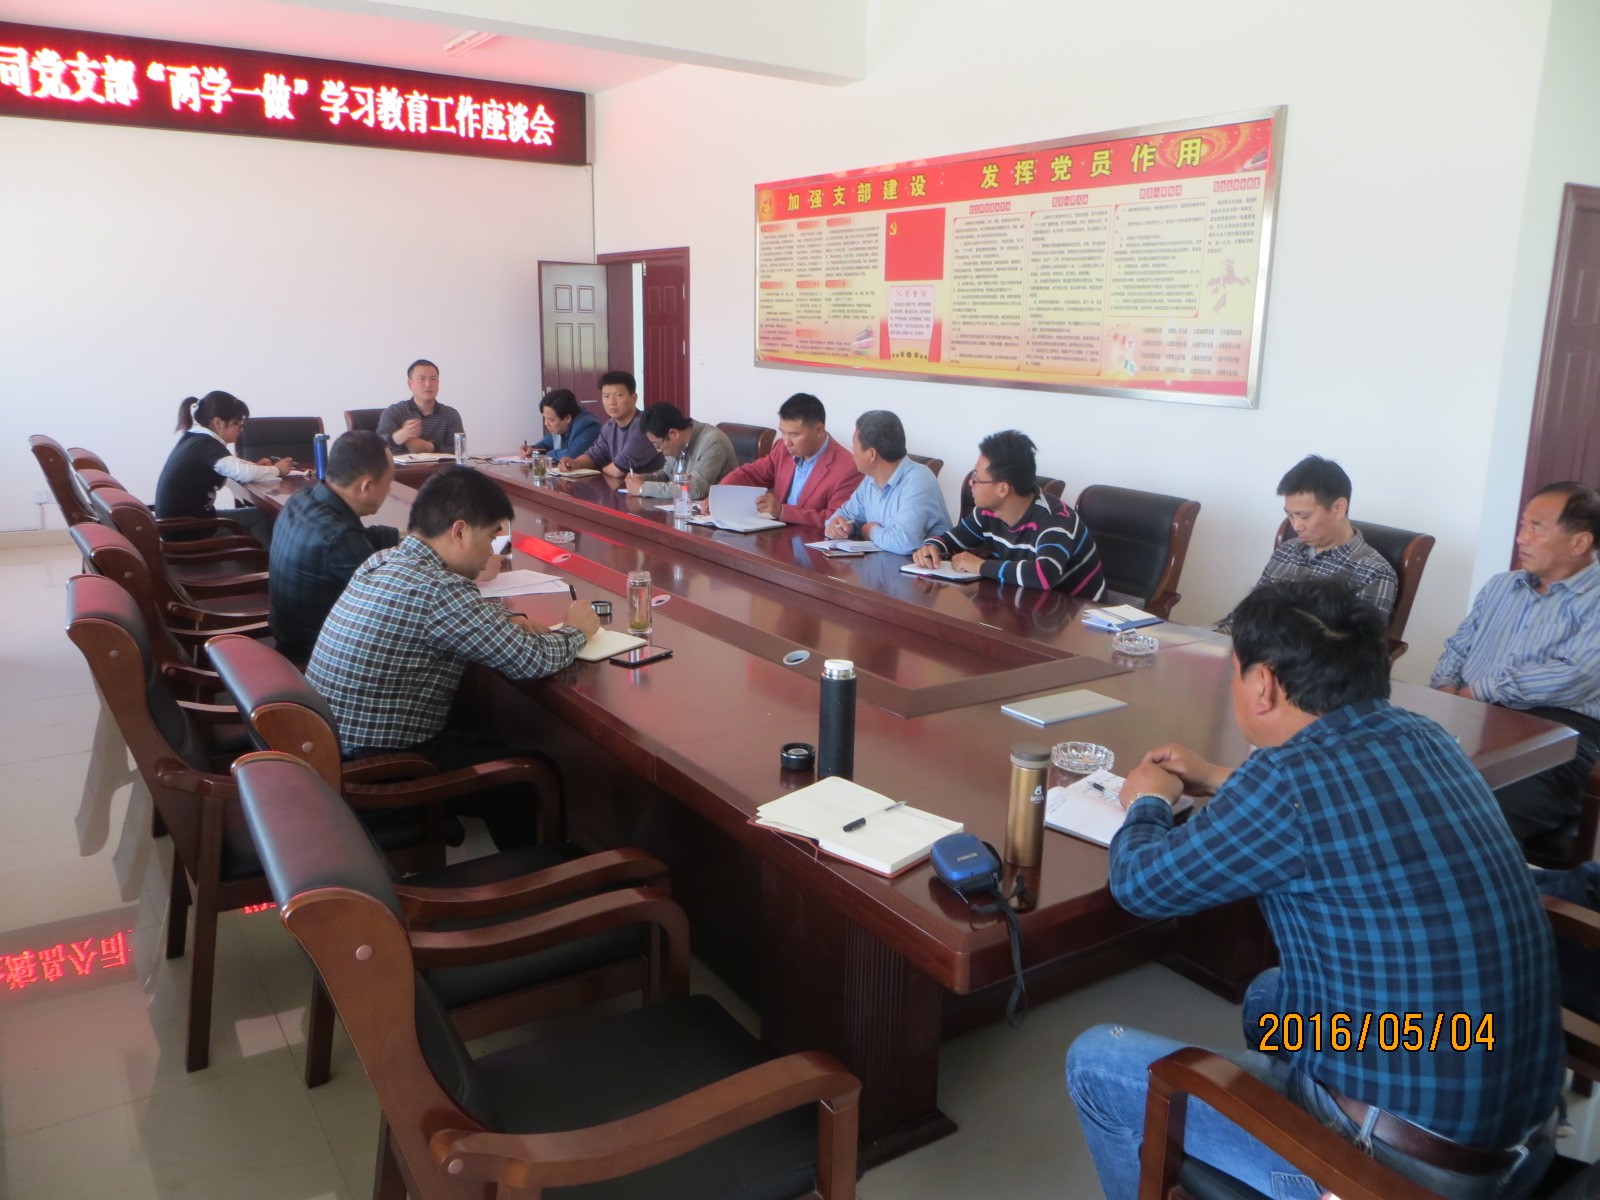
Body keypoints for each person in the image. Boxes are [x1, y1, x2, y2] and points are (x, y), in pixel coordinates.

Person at [1066, 578, 1563, 1200]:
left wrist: (1147, 804)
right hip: (1514, 1130)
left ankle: (1312, 1157)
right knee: (1268, 998)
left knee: (1096, 1064)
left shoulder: (1288, 782)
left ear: (1264, 685)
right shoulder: (1424, 735)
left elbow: (1140, 886)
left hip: (1397, 1172)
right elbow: (1338, 803)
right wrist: (1219, 777)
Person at [306, 466, 600, 849]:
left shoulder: (382, 561)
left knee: (495, 746)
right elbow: (532, 660)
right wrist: (577, 630)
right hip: (380, 772)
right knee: (530, 774)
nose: (493, 551)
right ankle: (538, 877)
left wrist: (506, 617)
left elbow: (450, 614)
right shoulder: (440, 590)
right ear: (460, 531)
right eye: (491, 537)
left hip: (334, 755)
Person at [1431, 481, 1600, 847]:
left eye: (1536, 527)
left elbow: (1577, 673)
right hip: (1469, 714)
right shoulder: (1501, 587)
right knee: (1398, 788)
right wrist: (1446, 691)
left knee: (1473, 823)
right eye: (1523, 524)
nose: (1521, 538)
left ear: (1579, 543)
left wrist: (1476, 693)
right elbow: (1458, 647)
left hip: (1557, 732)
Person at [1217, 454, 1397, 633]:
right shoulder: (1287, 551)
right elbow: (1247, 615)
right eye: (1290, 515)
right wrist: (1212, 638)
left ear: (1338, 508)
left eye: (1304, 516)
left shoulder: (1373, 572)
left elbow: (1360, 646)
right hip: (1251, 647)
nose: (1296, 526)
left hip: (1296, 652)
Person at [912, 430, 1104, 594]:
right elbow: (950, 540)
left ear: (1003, 488)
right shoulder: (986, 513)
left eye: (977, 479)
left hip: (1080, 616)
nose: (971, 483)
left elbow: (1043, 575)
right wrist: (931, 548)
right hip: (1025, 606)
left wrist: (980, 566)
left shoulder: (1055, 519)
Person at [267, 430, 401, 665]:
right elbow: (392, 609)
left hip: (286, 639)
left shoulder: (301, 499)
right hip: (315, 660)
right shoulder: (340, 538)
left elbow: (358, 538)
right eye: (389, 482)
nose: (389, 489)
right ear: (366, 486)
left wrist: (404, 537)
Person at [154, 390, 290, 543]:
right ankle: (265, 557)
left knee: (257, 517)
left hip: (179, 527)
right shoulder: (206, 446)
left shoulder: (195, 439)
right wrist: (277, 470)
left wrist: (256, 466)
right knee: (260, 519)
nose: (241, 429)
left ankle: (261, 555)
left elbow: (233, 466)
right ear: (218, 422)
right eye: (237, 423)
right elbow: (243, 473)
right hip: (189, 533)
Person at [718, 392, 861, 525]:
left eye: (794, 435)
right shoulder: (782, 449)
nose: (786, 442)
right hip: (774, 534)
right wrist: (719, 495)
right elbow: (751, 474)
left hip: (810, 540)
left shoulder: (848, 468)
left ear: (818, 430)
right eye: (783, 433)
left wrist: (783, 512)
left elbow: (836, 520)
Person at [822, 410, 950, 554]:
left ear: (871, 454)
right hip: (884, 563)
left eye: (854, 445)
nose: (852, 451)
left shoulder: (918, 480)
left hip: (920, 566)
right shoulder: (870, 480)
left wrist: (871, 531)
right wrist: (836, 525)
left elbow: (905, 543)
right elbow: (846, 514)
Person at [558, 370, 664, 478]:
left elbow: (618, 470)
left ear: (633, 398)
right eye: (606, 396)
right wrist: (575, 463)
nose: (612, 402)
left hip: (650, 487)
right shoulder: (609, 426)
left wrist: (603, 469)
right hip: (624, 486)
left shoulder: (646, 426)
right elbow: (594, 456)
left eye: (618, 395)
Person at [626, 402, 739, 501]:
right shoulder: (678, 444)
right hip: (686, 509)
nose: (658, 450)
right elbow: (668, 475)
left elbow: (695, 489)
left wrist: (643, 488)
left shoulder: (713, 441)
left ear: (674, 434)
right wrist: (643, 479)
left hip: (718, 511)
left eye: (658, 445)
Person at [376, 359, 464, 454]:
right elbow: (377, 447)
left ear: (438, 383)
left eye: (433, 379)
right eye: (422, 379)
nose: (428, 384)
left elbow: (460, 450)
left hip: (440, 464)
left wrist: (429, 447)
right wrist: (401, 435)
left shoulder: (450, 415)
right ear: (410, 384)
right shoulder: (394, 412)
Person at [529, 388, 600, 460]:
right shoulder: (561, 428)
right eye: (545, 418)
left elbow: (571, 455)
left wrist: (545, 454)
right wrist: (531, 449)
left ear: (567, 418)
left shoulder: (588, 426)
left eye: (551, 420)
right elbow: (545, 444)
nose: (546, 424)